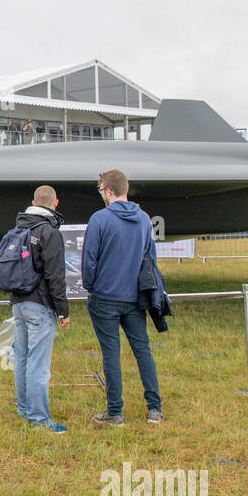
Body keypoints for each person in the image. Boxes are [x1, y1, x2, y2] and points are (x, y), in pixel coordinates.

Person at [81, 169, 163, 426]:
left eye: (101, 191)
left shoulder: (99, 219)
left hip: (104, 296)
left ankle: (115, 412)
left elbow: (89, 260)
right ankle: (154, 409)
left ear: (108, 191)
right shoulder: (144, 219)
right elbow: (151, 258)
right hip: (134, 297)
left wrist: (90, 286)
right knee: (143, 351)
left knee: (111, 354)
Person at [8, 184, 71, 433]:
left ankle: (24, 408)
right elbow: (56, 276)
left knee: (22, 358)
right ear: (55, 204)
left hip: (18, 303)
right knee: (38, 363)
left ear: (33, 203)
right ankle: (39, 418)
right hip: (40, 305)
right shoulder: (49, 232)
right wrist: (63, 310)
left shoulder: (18, 227)